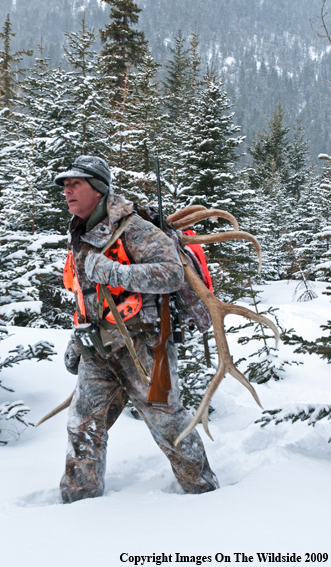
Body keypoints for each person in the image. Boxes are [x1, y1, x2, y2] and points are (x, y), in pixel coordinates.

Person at [54, 155, 219, 503]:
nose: (66, 190)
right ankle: (77, 504)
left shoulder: (133, 229)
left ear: (98, 190)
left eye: (75, 183)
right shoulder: (79, 231)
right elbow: (88, 293)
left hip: (141, 348)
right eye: (64, 185)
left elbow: (171, 273)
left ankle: (205, 496)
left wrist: (116, 273)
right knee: (83, 425)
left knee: (168, 423)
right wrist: (76, 337)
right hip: (96, 349)